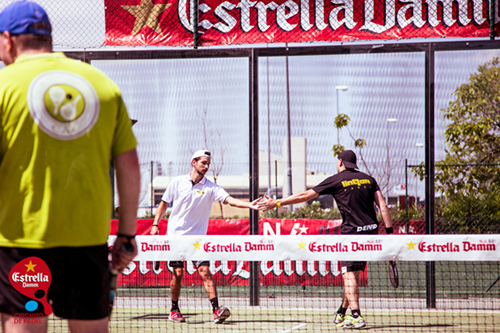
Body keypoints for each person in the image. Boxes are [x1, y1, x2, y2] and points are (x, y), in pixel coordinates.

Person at [0, 1, 140, 332]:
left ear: (7, 39)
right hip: (87, 244)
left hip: (21, 245)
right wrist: (127, 235)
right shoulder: (101, 85)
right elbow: (129, 166)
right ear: (47, 37)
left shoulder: (5, 86)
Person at [258, 150, 393, 329]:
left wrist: (276, 203)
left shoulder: (336, 179)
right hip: (370, 232)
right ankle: (342, 311)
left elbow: (304, 196)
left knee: (348, 274)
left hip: (351, 235)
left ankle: (357, 316)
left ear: (340, 162)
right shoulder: (369, 179)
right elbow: (383, 205)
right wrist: (390, 235)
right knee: (353, 274)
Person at [150, 150, 262, 324]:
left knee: (205, 272)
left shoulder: (211, 187)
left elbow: (230, 200)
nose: (207, 166)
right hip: (175, 237)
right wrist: (156, 224)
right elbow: (163, 204)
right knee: (178, 274)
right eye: (203, 162)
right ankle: (174, 310)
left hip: (197, 241)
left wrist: (249, 204)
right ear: (193, 162)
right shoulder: (177, 182)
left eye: (208, 163)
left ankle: (216, 310)